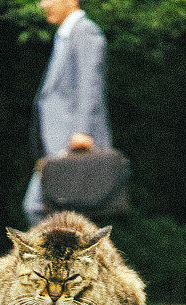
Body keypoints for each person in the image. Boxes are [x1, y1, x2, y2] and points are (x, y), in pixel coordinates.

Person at [24, 0, 113, 226]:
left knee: (39, 208)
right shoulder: (65, 36)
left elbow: (89, 84)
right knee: (62, 214)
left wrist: (82, 131)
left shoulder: (85, 32)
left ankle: (60, 260)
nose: (43, 5)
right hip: (58, 145)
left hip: (76, 144)